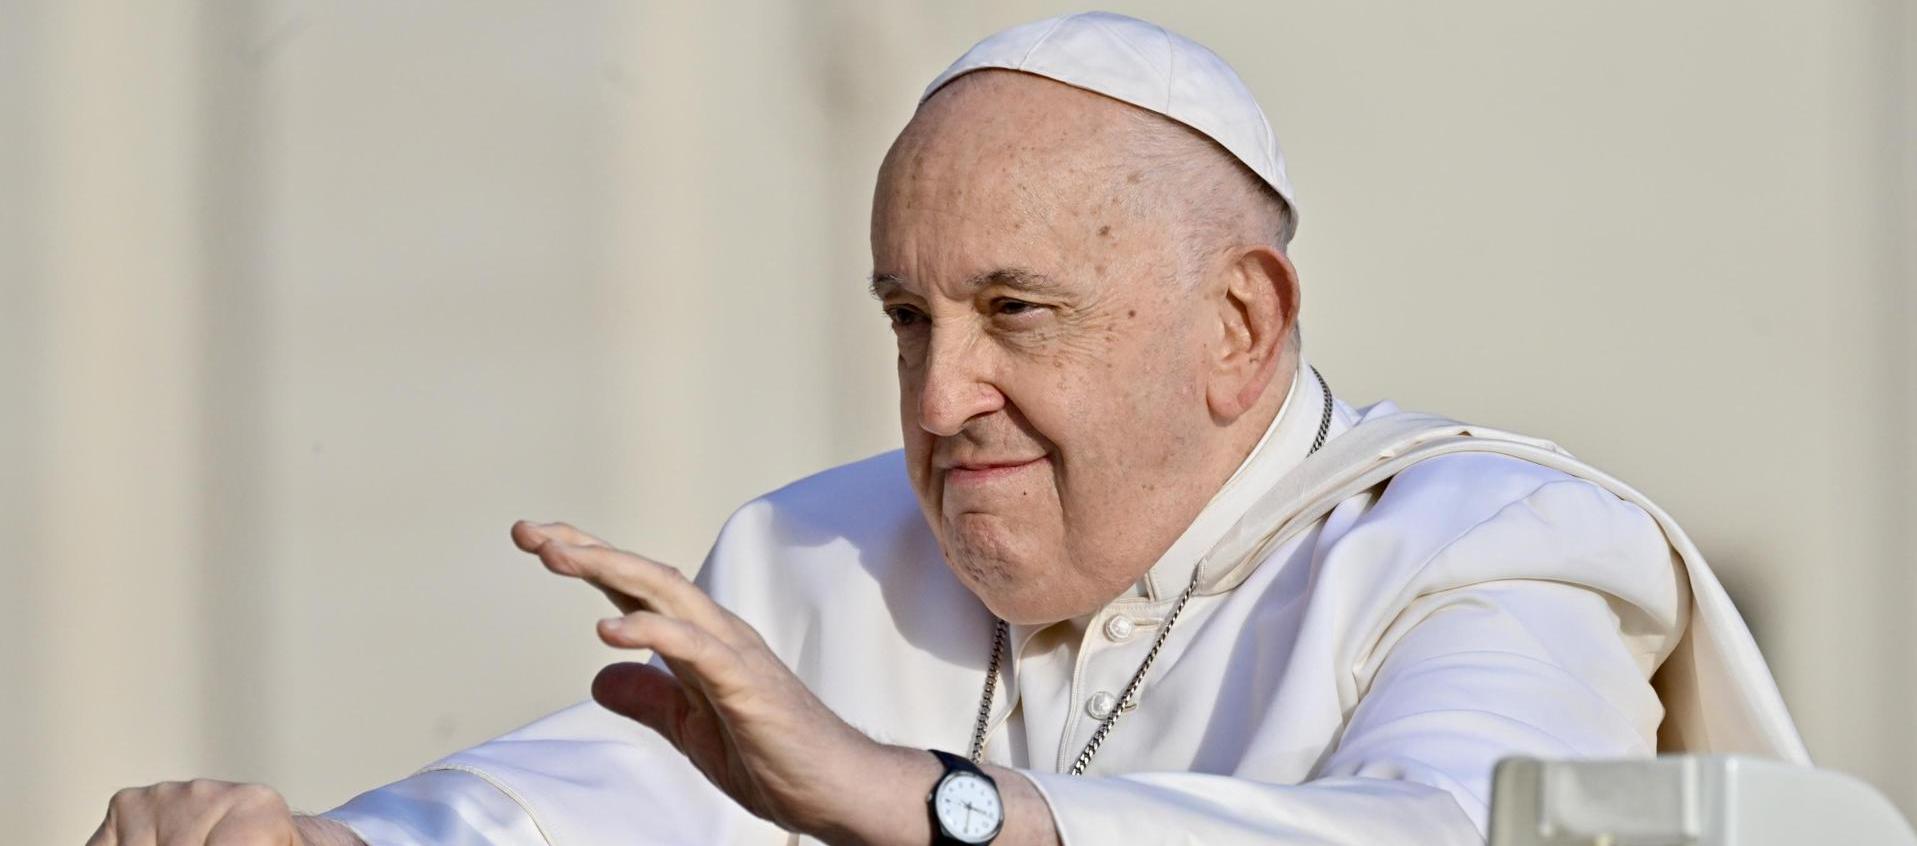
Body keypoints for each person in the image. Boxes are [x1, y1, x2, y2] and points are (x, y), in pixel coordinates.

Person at [89, 11, 1807, 846]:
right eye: (906, 316)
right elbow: (607, 798)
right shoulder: (824, 549)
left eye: (1013, 311)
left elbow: (1450, 837)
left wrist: (940, 805)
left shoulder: (1487, 543)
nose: (935, 398)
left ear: (1237, 325)